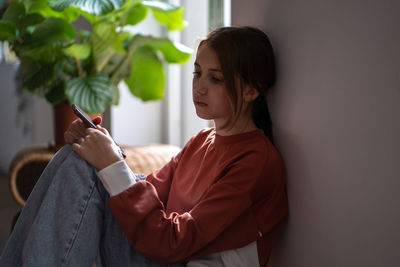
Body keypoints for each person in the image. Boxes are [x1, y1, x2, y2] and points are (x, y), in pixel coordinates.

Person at [0, 26, 287, 267]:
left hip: (179, 257)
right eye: (197, 73)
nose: (199, 87)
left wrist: (109, 162)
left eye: (215, 78)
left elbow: (172, 242)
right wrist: (104, 149)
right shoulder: (202, 141)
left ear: (251, 90)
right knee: (77, 156)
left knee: (86, 167)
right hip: (161, 248)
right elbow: (147, 192)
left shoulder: (256, 162)